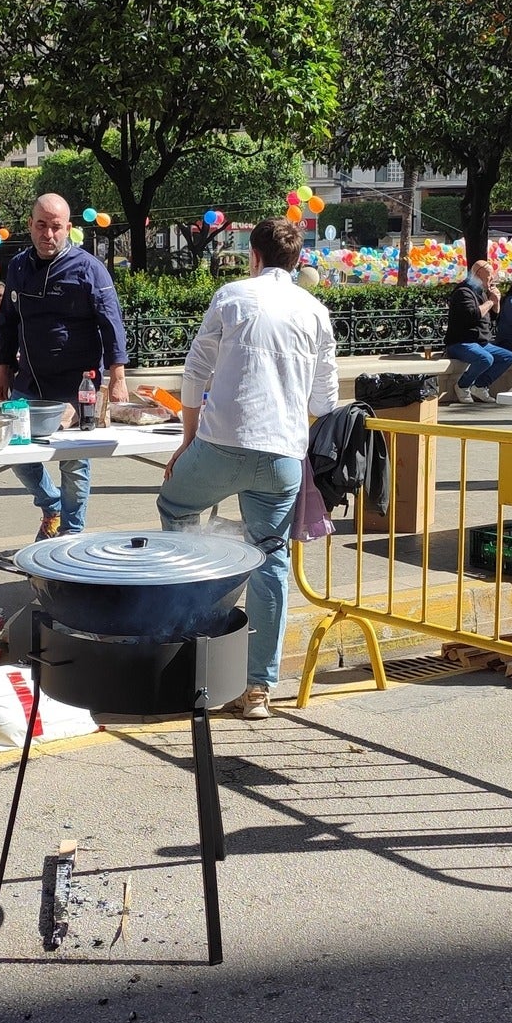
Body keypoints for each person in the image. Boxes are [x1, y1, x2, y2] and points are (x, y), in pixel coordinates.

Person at [157, 219, 338, 720]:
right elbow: (324, 399)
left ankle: (191, 644)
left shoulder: (231, 296)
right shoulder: (316, 311)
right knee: (271, 558)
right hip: (282, 458)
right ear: (298, 261)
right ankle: (258, 687)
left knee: (176, 510)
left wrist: (187, 442)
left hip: (220, 446)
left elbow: (194, 373)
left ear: (253, 256)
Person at [0, 194, 129, 539]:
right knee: (16, 451)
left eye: (56, 227)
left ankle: (71, 534)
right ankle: (50, 503)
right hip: (30, 380)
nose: (48, 234)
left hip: (77, 384)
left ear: (68, 228)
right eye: (42, 225)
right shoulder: (18, 266)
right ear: (30, 225)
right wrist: (2, 367)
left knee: (75, 462)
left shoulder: (88, 268)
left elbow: (111, 322)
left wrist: (117, 376)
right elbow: (7, 321)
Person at [442, 259, 511, 404]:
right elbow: (472, 315)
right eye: (489, 275)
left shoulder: (481, 292)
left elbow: (492, 317)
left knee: (507, 357)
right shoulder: (463, 292)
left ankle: (480, 386)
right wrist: (491, 301)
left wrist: (496, 301)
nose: (492, 278)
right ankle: (462, 386)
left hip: (480, 342)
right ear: (478, 274)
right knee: (485, 359)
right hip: (461, 342)